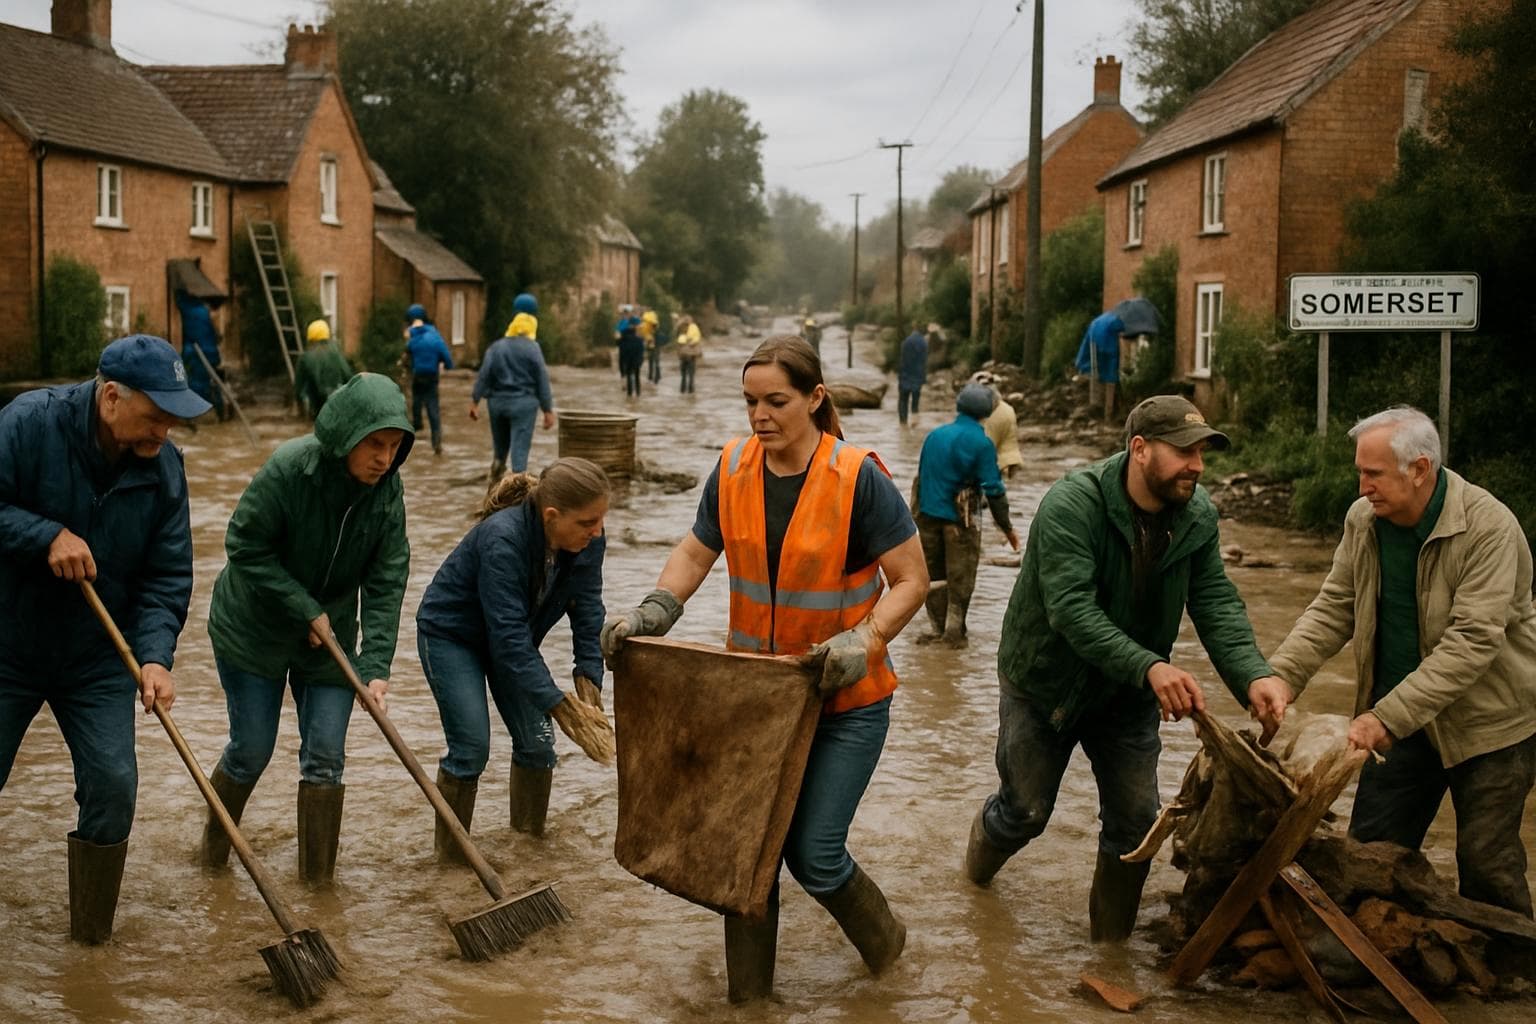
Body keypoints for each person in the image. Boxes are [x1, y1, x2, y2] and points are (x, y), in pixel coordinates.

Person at [601, 335, 928, 1002]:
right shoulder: (732, 469)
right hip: (756, 704)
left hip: (845, 703)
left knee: (816, 856)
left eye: (776, 401)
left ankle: (891, 956)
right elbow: (695, 553)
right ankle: (749, 1005)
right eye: (750, 401)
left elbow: (911, 580)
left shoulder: (858, 478)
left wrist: (863, 640)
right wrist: (654, 610)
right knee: (744, 853)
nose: (760, 416)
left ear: (815, 397)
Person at [963, 395, 1290, 941]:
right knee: (1025, 812)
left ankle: (1109, 952)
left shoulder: (1197, 515)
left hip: (1128, 692)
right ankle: (974, 879)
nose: (1197, 465)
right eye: (1184, 451)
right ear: (1140, 449)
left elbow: (1214, 600)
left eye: (1202, 452)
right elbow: (1071, 609)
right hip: (1045, 684)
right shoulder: (1073, 504)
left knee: (1137, 823)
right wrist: (1152, 667)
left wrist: (1253, 675)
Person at [1261, 407, 1536, 917]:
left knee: (1487, 865)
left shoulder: (1489, 527)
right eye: (1359, 472)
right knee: (1367, 858)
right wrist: (1281, 675)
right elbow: (1335, 605)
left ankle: (1510, 963)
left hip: (1490, 727)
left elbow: (1472, 641)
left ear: (1420, 469)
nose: (1362, 486)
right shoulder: (1363, 520)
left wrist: (1384, 718)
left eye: (1374, 474)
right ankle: (1368, 952)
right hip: (1398, 724)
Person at [0, 334, 208, 943]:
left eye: (174, 419)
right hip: (8, 645)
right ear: (112, 397)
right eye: (156, 415)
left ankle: (90, 950)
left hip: (96, 658)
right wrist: (44, 535)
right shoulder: (28, 424)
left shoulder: (165, 470)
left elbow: (166, 577)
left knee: (115, 787)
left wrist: (155, 658)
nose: (165, 432)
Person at [201, 373, 413, 886]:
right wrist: (302, 606)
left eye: (394, 447)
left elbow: (387, 579)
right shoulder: (289, 470)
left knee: (326, 758)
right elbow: (244, 545)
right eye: (375, 445)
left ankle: (319, 889)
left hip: (329, 637)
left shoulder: (387, 493)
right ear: (345, 436)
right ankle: (211, 858)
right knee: (251, 751)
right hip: (254, 627)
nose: (385, 459)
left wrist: (375, 666)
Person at [416, 459, 612, 855]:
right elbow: (508, 639)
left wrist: (589, 675)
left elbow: (588, 609)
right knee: (472, 748)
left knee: (539, 746)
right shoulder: (502, 540)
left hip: (512, 641)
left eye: (601, 520)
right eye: (587, 522)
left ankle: (527, 851)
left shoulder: (589, 541)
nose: (597, 530)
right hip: (453, 638)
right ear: (551, 516)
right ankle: (451, 864)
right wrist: (559, 705)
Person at [914, 383, 1020, 647]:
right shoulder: (982, 443)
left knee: (933, 575)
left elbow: (921, 478)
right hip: (959, 521)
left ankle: (936, 629)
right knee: (960, 576)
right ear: (987, 412)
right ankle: (954, 633)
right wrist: (1007, 528)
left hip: (926, 515)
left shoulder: (935, 435)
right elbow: (994, 489)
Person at [471, 293, 555, 481]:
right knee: (519, 454)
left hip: (497, 404)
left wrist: (475, 401)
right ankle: (517, 485)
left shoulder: (496, 347)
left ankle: (495, 483)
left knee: (499, 450)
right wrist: (548, 410)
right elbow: (542, 379)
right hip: (523, 406)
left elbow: (484, 375)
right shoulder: (533, 348)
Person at [404, 302, 453, 454]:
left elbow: (406, 356)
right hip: (432, 377)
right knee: (433, 409)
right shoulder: (435, 336)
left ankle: (415, 428)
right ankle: (436, 441)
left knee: (416, 404)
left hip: (417, 377)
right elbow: (447, 359)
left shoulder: (411, 338)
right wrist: (445, 364)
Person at [175, 290, 225, 421]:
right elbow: (213, 336)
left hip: (195, 353)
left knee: (195, 383)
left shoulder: (190, 310)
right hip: (208, 353)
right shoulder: (203, 313)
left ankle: (190, 414)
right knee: (210, 383)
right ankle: (218, 410)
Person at [294, 318, 354, 421]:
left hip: (317, 408)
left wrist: (301, 410)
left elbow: (298, 388)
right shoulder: (337, 353)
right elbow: (348, 376)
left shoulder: (305, 357)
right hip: (337, 405)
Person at [973, 372, 1024, 479]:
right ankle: (1008, 472)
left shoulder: (980, 402)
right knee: (1007, 445)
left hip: (991, 414)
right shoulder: (1008, 408)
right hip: (1005, 411)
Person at [1075, 311, 1125, 421]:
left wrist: (1080, 364)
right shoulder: (1115, 323)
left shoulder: (1097, 324)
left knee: (1097, 378)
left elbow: (1086, 347)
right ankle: (1108, 414)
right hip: (1110, 355)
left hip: (1098, 351)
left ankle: (1098, 409)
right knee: (1110, 382)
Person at [897, 323, 928, 426]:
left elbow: (902, 360)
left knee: (903, 400)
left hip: (905, 375)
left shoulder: (906, 342)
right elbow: (924, 361)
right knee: (915, 400)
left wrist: (900, 374)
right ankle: (915, 420)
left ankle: (903, 423)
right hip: (917, 375)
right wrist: (923, 377)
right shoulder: (923, 342)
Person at [615, 305, 644, 397]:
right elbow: (641, 351)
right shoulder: (639, 339)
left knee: (628, 375)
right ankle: (638, 394)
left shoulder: (623, 335)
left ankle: (629, 395)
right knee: (637, 376)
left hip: (627, 359)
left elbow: (618, 344)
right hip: (636, 360)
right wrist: (640, 360)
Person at [674, 314, 703, 394]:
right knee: (690, 375)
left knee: (684, 375)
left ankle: (683, 391)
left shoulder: (681, 329)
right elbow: (697, 339)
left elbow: (678, 341)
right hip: (690, 355)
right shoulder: (694, 328)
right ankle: (690, 391)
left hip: (684, 355)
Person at [640, 309, 663, 385]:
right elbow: (644, 335)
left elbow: (657, 336)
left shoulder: (655, 327)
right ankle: (652, 376)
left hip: (655, 345)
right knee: (651, 360)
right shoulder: (646, 326)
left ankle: (656, 376)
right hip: (650, 344)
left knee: (655, 361)